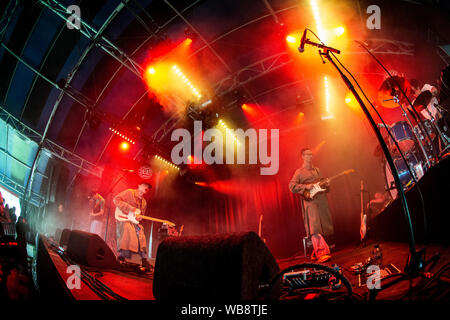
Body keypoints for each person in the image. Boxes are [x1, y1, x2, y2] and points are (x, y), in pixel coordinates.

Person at [289, 148, 334, 263]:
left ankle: (315, 251)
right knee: (314, 227)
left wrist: (326, 184)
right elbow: (292, 186)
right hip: (310, 201)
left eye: (311, 154)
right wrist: (305, 186)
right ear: (303, 156)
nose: (311, 156)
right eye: (308, 155)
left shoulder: (317, 170)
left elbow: (322, 185)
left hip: (321, 200)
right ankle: (321, 252)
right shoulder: (299, 172)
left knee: (323, 225)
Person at [113, 182, 151, 264]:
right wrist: (130, 208)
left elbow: (140, 216)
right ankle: (122, 257)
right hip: (124, 219)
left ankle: (144, 259)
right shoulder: (129, 192)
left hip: (134, 222)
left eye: (148, 187)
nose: (146, 188)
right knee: (128, 229)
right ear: (139, 185)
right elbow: (116, 199)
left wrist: (139, 217)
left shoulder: (144, 202)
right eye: (145, 185)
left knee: (141, 233)